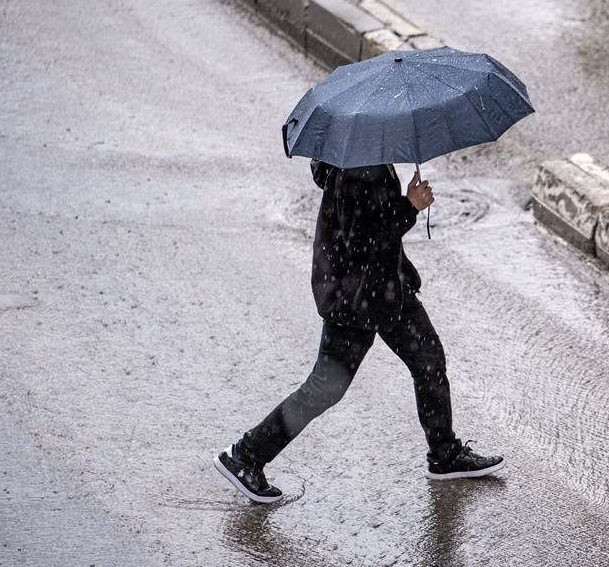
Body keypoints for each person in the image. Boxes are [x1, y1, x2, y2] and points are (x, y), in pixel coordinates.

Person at [214, 160, 504, 503]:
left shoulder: (369, 158)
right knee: (325, 388)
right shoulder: (356, 168)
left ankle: (444, 454)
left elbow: (372, 229)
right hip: (354, 297)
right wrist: (409, 206)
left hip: (385, 289)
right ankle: (246, 456)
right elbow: (363, 243)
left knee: (428, 360)